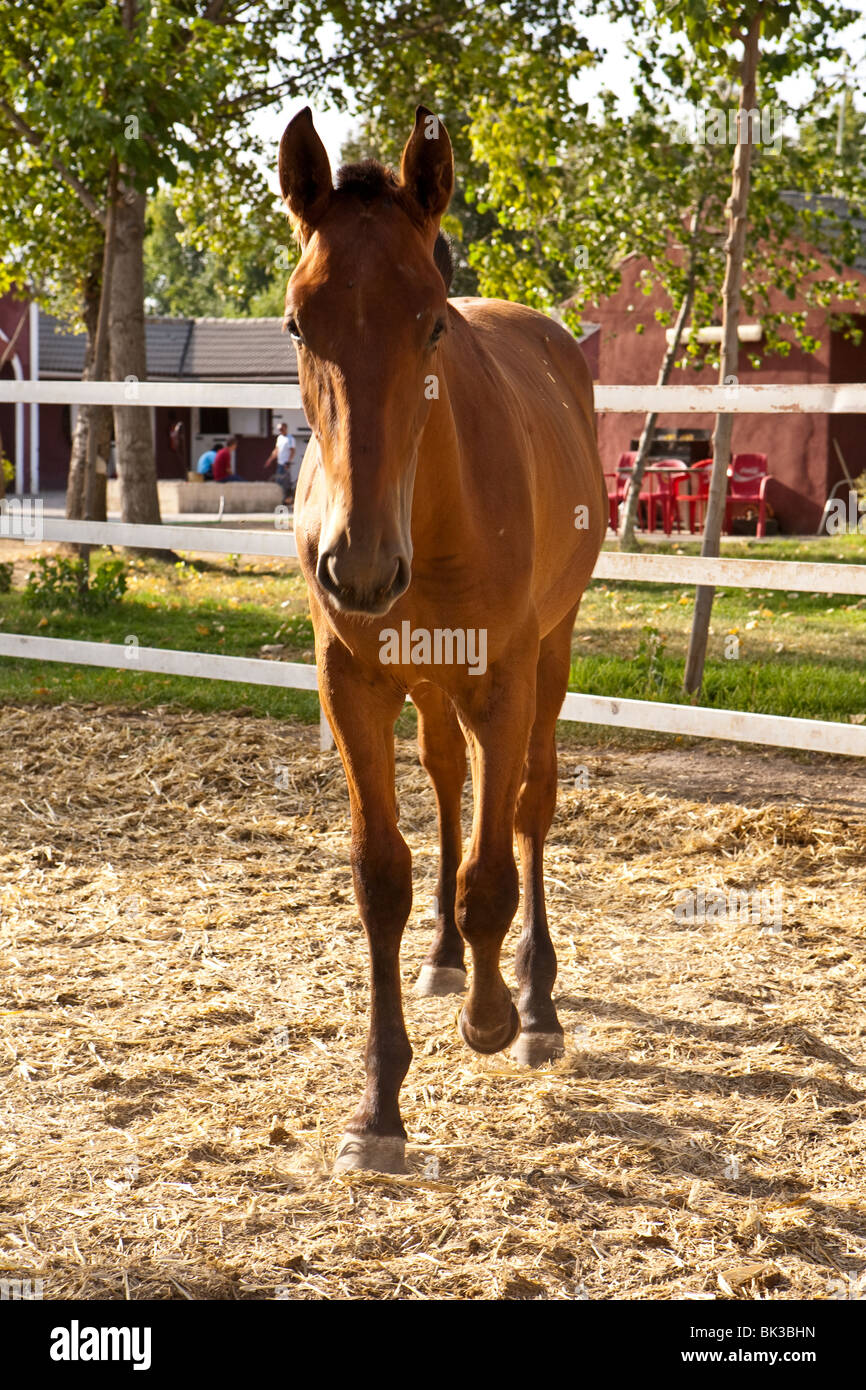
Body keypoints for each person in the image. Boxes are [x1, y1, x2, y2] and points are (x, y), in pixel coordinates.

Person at [265, 422, 297, 503]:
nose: (280, 431)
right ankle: (280, 499)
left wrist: (288, 462)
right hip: (280, 464)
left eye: (281, 429)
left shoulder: (290, 438)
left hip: (285, 464)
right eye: (279, 429)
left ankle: (287, 500)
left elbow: (292, 451)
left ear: (285, 428)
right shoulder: (279, 438)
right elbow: (276, 450)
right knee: (278, 482)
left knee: (286, 483)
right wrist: (270, 460)